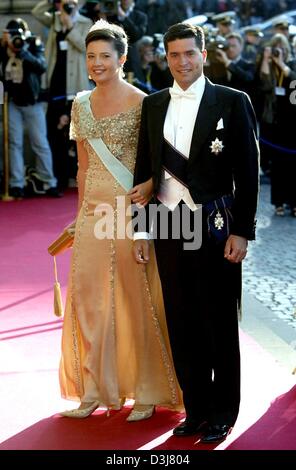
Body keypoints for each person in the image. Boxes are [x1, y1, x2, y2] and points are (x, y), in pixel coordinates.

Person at [132, 22, 259, 442]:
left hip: (216, 224)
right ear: (165, 58)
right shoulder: (152, 105)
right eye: (174, 55)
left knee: (218, 321)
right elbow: (145, 170)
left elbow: (248, 172)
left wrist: (243, 231)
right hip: (168, 224)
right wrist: (139, 232)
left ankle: (223, 411)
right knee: (182, 322)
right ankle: (196, 409)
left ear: (204, 54)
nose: (182, 62)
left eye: (190, 53)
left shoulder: (232, 101)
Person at [59, 19, 182, 421]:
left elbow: (155, 166)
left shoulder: (143, 101)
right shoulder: (79, 103)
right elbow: (82, 166)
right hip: (94, 212)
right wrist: (79, 214)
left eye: (104, 57)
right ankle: (95, 389)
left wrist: (145, 206)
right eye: (91, 57)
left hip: (130, 211)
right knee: (91, 301)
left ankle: (147, 390)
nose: (96, 63)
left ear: (122, 59)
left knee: (135, 300)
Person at [0, 18, 60, 199]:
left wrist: (22, 51)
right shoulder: (2, 48)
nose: (15, 38)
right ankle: (16, 183)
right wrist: (5, 48)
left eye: (18, 34)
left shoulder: (33, 43)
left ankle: (49, 182)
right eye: (12, 34)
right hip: (11, 102)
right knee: (14, 143)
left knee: (40, 142)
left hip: (32, 102)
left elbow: (41, 66)